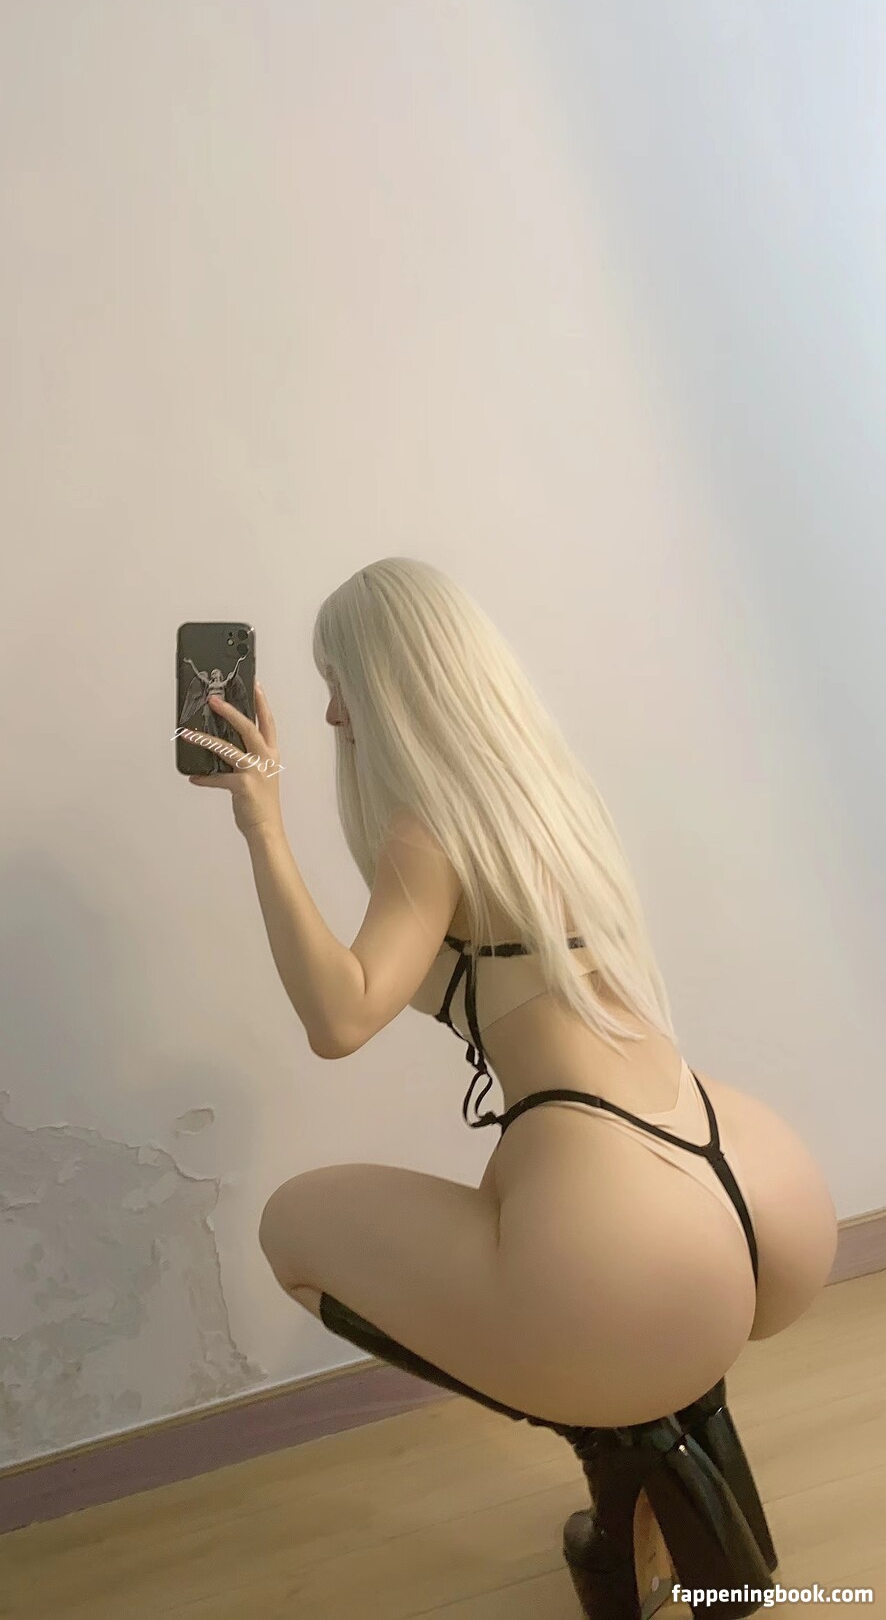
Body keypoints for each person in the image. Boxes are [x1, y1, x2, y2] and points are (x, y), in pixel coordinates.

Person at [191, 556, 838, 1615]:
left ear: (390, 683)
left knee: (291, 1227)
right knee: (591, 1290)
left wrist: (260, 821)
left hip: (625, 1221)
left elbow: (339, 1018)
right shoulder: (552, 797)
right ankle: (660, 1448)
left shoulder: (429, 831)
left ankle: (619, 1443)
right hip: (747, 1171)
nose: (330, 712)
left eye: (339, 681)